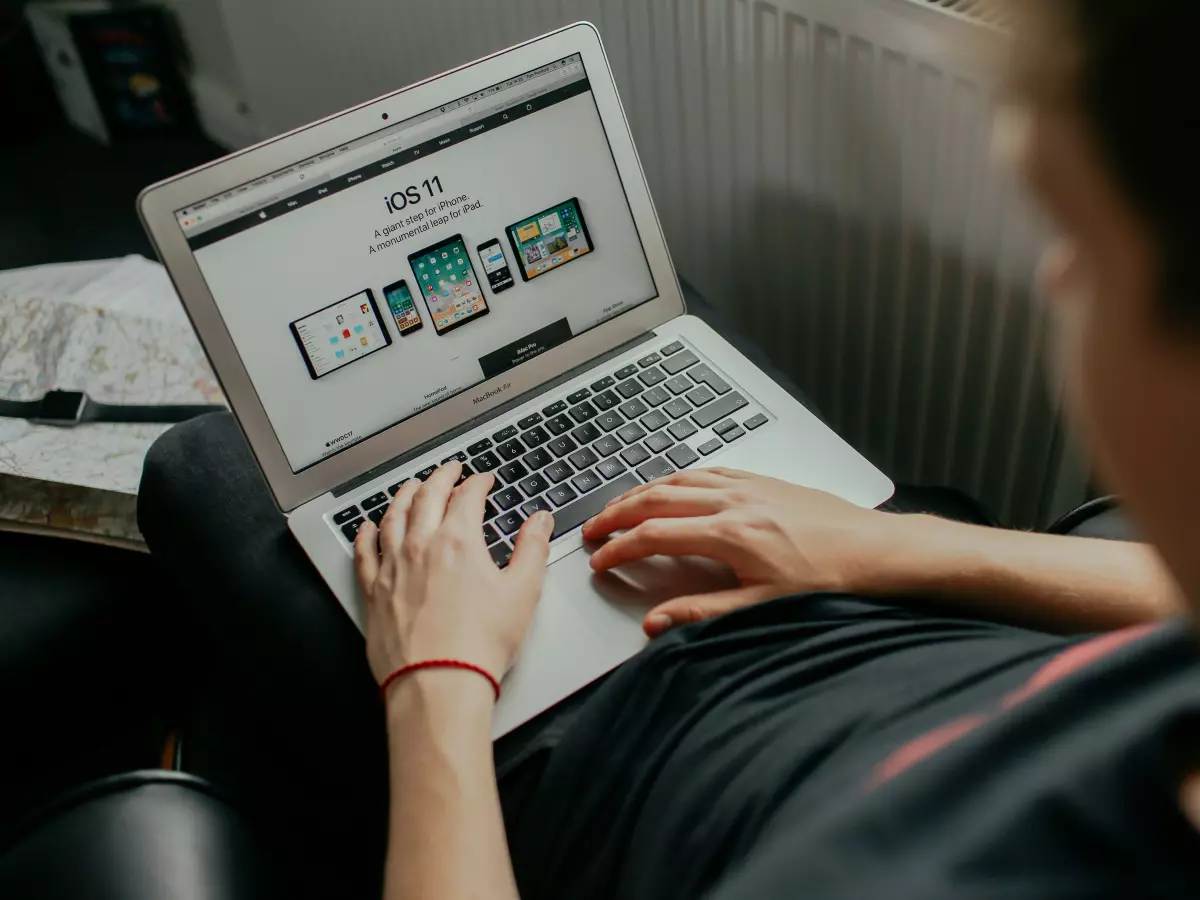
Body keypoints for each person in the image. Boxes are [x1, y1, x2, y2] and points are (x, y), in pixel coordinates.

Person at [138, 1, 1200, 897]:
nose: (1058, 279)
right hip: (873, 600)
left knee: (203, 467)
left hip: (593, 754)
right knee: (638, 322)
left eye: (1081, 236)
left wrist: (436, 678)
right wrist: (898, 551)